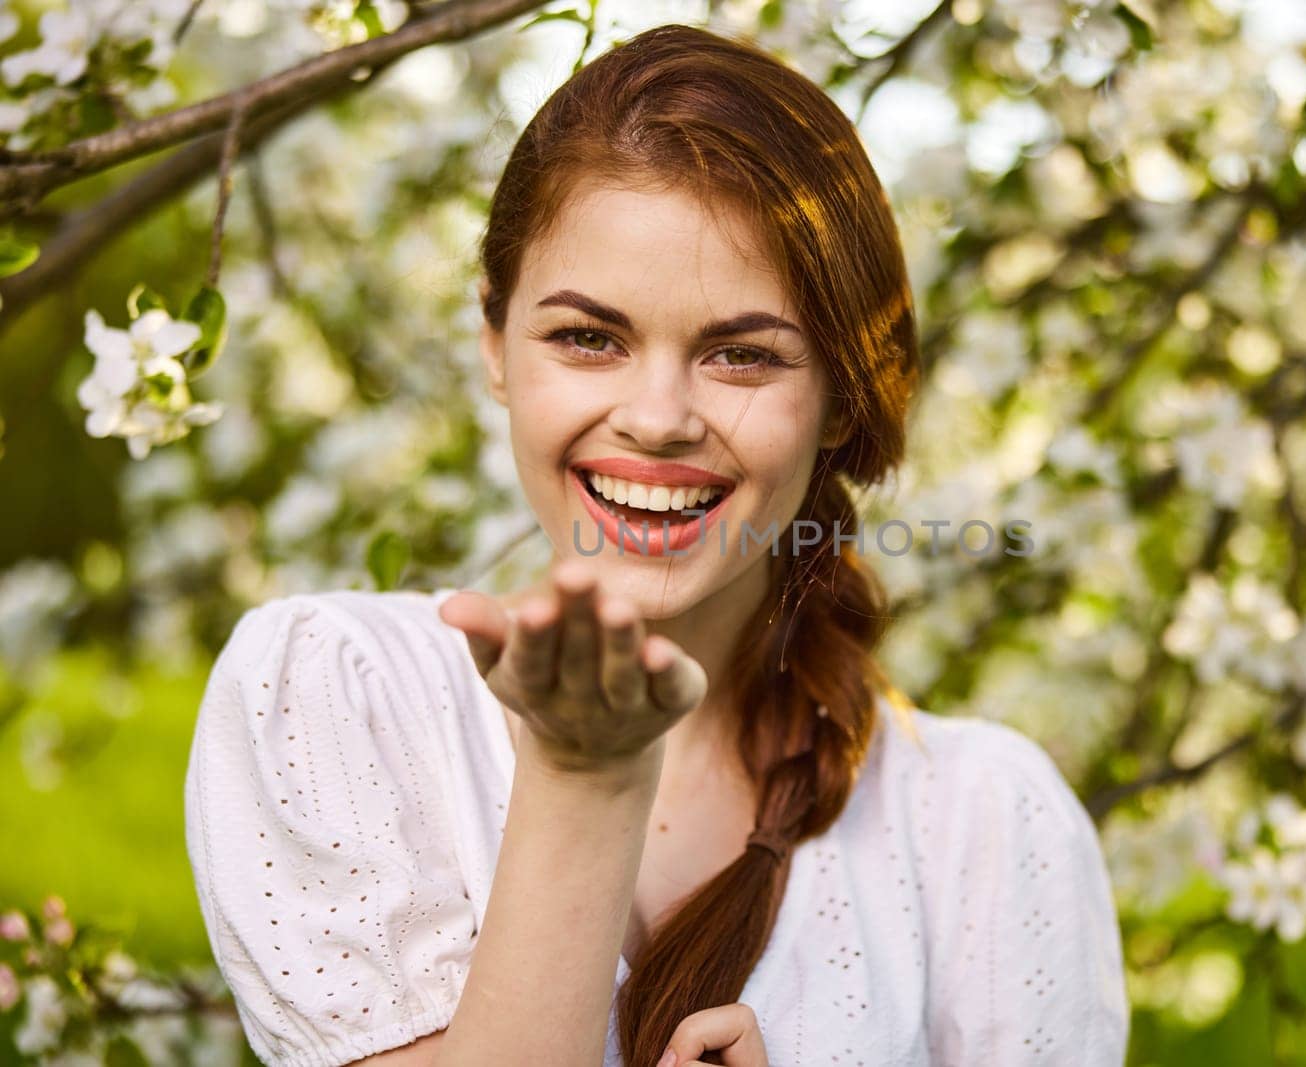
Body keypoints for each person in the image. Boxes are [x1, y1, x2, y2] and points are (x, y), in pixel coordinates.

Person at [183, 21, 1128, 1067]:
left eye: (740, 353)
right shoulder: (338, 694)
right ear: (496, 344)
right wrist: (587, 777)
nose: (660, 416)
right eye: (589, 337)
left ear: (840, 399)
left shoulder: (988, 825)